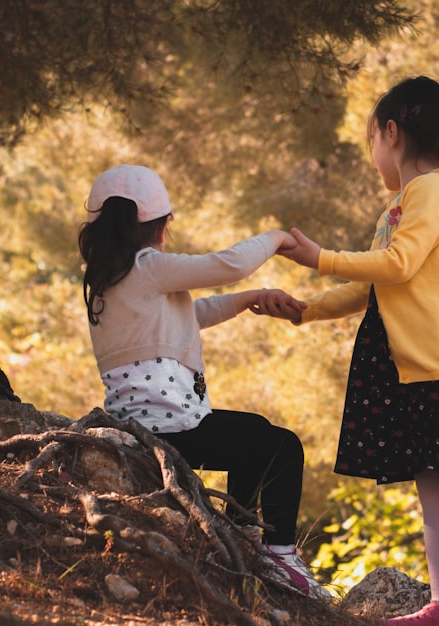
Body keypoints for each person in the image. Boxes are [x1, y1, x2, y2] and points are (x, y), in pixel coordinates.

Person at [273, 77, 439, 626]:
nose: (371, 151)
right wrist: (304, 311)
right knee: (433, 484)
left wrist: (318, 257)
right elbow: (370, 289)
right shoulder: (399, 206)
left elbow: (397, 265)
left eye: (371, 137)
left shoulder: (433, 191)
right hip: (417, 363)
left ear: (393, 133)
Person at [78, 164, 326, 598]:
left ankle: (246, 538)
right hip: (171, 428)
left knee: (257, 434)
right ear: (159, 225)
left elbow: (189, 316)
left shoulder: (111, 281)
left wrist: (250, 299)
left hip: (140, 424)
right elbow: (227, 264)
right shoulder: (149, 267)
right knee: (282, 447)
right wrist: (276, 239)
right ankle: (279, 554)